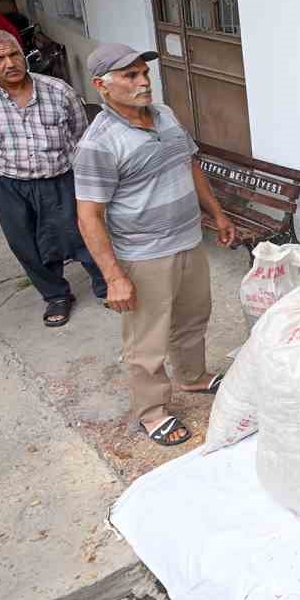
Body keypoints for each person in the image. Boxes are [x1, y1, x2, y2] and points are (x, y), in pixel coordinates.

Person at [73, 44, 235, 447]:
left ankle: (192, 377)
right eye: (130, 75)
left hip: (188, 240)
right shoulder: (99, 143)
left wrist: (217, 213)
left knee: (193, 317)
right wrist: (114, 277)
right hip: (144, 255)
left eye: (144, 72)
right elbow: (88, 216)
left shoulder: (165, 115)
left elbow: (189, 164)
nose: (143, 81)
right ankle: (152, 412)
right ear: (102, 86)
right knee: (147, 342)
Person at [0, 29, 108, 328]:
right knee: (26, 244)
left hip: (62, 177)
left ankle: (106, 285)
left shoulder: (58, 90)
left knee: (83, 232)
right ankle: (56, 295)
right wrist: (12, 159)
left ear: (23, 53)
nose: (9, 63)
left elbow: (80, 133)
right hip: (10, 185)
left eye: (14, 54)